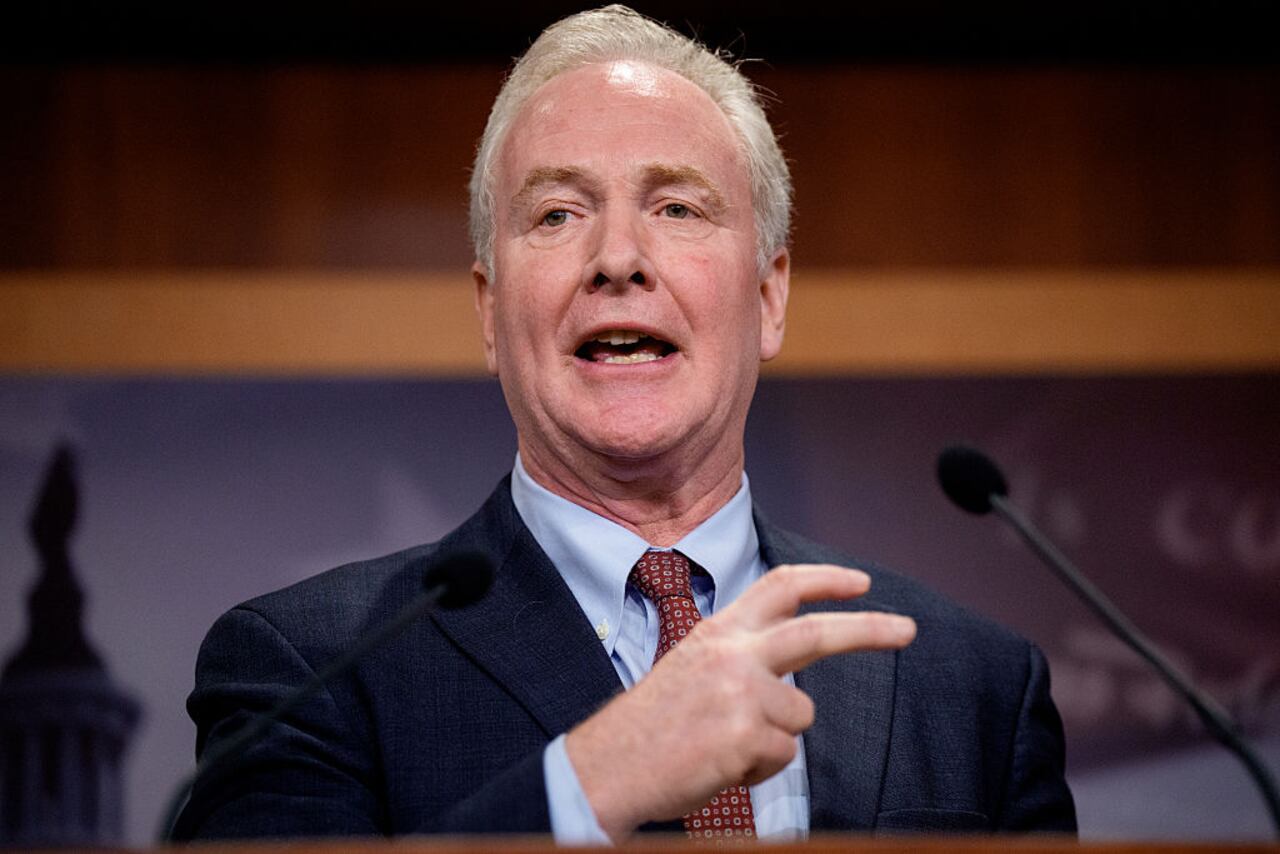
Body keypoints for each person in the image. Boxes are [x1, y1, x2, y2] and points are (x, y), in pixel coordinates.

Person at [175, 5, 1076, 842]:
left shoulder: (974, 688)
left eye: (677, 208)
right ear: (491, 312)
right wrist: (590, 784)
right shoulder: (308, 670)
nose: (617, 259)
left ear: (768, 296)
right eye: (558, 213)